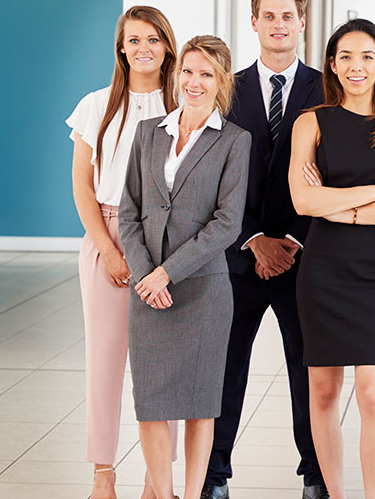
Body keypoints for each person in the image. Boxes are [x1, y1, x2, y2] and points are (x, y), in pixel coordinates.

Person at [288, 19, 375, 499]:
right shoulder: (311, 122)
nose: (356, 66)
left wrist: (335, 203)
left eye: (366, 56)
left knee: (372, 394)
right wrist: (368, 194)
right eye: (345, 56)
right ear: (331, 64)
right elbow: (303, 203)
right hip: (323, 271)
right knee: (322, 393)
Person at [204, 0, 327, 499]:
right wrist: (254, 238)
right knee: (226, 370)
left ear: (302, 23)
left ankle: (318, 476)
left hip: (308, 257)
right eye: (268, 16)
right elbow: (210, 175)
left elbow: (337, 174)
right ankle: (213, 475)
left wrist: (294, 240)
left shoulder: (328, 89)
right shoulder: (223, 89)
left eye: (288, 17)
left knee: (310, 372)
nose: (279, 25)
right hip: (238, 258)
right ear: (253, 22)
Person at [118, 35, 251, 499]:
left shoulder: (235, 140)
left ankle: (191, 495)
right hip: (147, 292)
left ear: (222, 82)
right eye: (188, 72)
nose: (194, 82)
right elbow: (129, 212)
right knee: (150, 404)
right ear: (177, 76)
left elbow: (227, 224)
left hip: (202, 292)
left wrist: (166, 273)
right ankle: (162, 492)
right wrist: (144, 275)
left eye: (206, 74)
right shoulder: (148, 132)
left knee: (200, 406)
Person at [67, 5, 180, 499]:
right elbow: (81, 186)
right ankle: (103, 474)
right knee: (106, 360)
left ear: (167, 47)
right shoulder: (96, 105)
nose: (143, 49)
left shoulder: (183, 102)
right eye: (134, 40)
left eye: (153, 39)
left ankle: (159, 480)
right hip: (107, 236)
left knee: (164, 366)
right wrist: (108, 252)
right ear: (121, 48)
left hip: (165, 241)